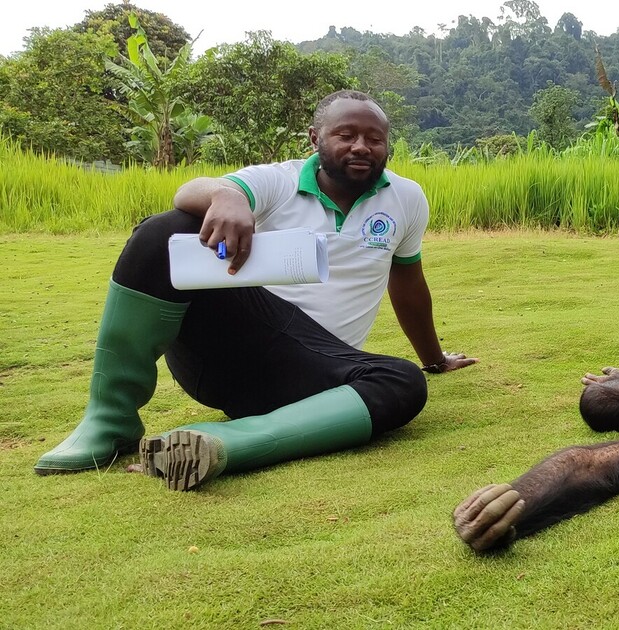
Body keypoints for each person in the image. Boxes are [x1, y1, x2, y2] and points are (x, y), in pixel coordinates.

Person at [33, 90, 476, 490]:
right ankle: (108, 422)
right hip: (229, 351)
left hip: (318, 370)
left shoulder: (407, 197)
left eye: (374, 138)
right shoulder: (276, 181)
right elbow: (191, 191)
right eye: (346, 134)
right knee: (165, 232)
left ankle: (217, 444)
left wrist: (434, 360)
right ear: (314, 138)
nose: (361, 146)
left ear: (387, 144)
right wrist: (227, 196)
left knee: (401, 381)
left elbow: (408, 281)